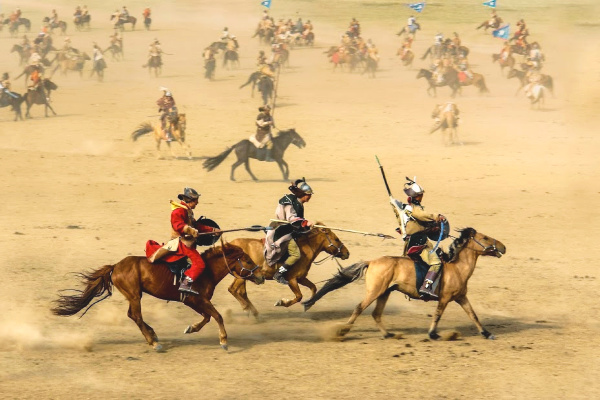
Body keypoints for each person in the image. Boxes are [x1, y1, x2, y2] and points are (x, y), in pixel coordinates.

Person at [147, 188, 221, 295]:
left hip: (187, 243)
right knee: (199, 264)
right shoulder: (178, 211)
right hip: (182, 244)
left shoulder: (187, 211)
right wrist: (190, 230)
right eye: (196, 200)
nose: (197, 202)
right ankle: (185, 284)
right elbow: (179, 226)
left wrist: (213, 230)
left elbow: (197, 226)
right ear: (190, 200)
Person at [395, 178, 446, 298]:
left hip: (414, 240)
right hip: (419, 243)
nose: (421, 197)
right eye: (420, 195)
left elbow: (419, 223)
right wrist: (436, 217)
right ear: (416, 196)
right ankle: (426, 287)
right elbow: (421, 215)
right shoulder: (414, 209)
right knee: (436, 263)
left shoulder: (406, 209)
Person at [265, 178, 315, 284]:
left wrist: (306, 227)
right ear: (304, 194)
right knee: (296, 254)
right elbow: (291, 219)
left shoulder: (299, 203)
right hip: (282, 231)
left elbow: (298, 220)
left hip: (290, 230)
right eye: (309, 195)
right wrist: (306, 223)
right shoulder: (290, 202)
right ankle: (279, 273)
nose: (310, 197)